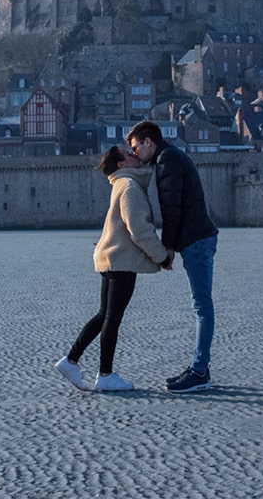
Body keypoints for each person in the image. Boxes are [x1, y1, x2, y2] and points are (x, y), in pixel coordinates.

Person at [55, 145, 169, 392]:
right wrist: (161, 256)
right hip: (121, 261)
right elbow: (139, 230)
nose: (134, 154)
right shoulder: (129, 187)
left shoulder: (121, 184)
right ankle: (105, 374)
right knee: (112, 319)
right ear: (121, 165)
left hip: (109, 259)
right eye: (129, 155)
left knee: (103, 315)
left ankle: (71, 360)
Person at [127, 120, 219, 393]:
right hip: (197, 238)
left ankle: (199, 372)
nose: (134, 154)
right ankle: (200, 367)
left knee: (202, 307)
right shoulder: (170, 158)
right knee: (200, 306)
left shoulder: (168, 161)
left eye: (135, 147)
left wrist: (167, 248)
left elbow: (171, 208)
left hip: (196, 240)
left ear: (148, 142)